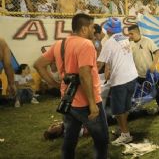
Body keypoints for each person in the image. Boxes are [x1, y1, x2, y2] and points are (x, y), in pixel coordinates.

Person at [34, 13, 108, 159]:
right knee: (102, 140)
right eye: (93, 27)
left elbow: (38, 65)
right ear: (84, 29)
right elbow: (84, 74)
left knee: (70, 138)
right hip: (86, 103)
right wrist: (93, 104)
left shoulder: (59, 44)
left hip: (67, 101)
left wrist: (55, 84)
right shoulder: (86, 44)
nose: (94, 31)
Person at [97, 18, 138, 145]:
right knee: (125, 107)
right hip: (132, 76)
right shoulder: (124, 38)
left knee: (118, 110)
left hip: (120, 80)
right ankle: (123, 130)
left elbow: (99, 65)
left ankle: (126, 135)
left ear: (108, 30)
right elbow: (114, 57)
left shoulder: (109, 43)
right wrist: (108, 67)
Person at [127, 24, 159, 114]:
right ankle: (138, 108)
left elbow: (157, 52)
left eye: (131, 33)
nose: (130, 36)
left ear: (137, 32)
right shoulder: (130, 43)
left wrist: (153, 65)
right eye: (129, 34)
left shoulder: (147, 41)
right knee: (138, 92)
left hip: (149, 73)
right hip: (138, 74)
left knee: (155, 90)